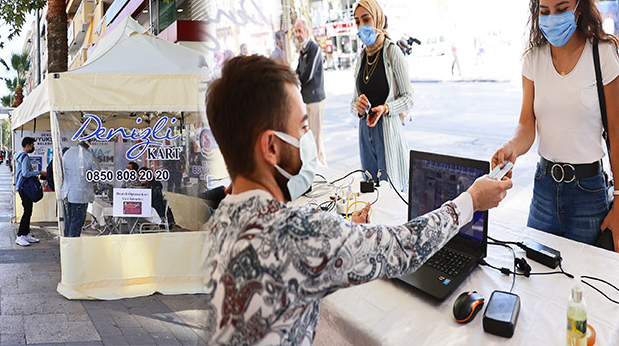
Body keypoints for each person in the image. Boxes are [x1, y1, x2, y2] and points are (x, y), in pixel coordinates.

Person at [204, 55, 512, 344]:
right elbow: (404, 247)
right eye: (302, 127)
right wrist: (472, 199)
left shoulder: (217, 223)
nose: (308, 138)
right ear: (271, 147)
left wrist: (344, 232)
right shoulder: (299, 234)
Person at [492, 0, 619, 251]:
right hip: (544, 191)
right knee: (537, 288)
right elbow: (526, 124)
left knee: (586, 290)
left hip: (589, 193)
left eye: (561, 9)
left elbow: (616, 131)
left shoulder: (603, 54)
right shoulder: (533, 59)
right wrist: (511, 147)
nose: (552, 19)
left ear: (579, 6)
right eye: (544, 11)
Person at [352, 0, 414, 190]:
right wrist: (359, 107)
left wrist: (386, 108)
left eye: (366, 19)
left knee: (391, 192)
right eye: (357, 22)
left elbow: (408, 98)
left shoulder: (392, 52)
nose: (361, 26)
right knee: (371, 193)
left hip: (387, 132)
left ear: (378, 19)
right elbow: (353, 102)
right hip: (365, 134)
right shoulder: (361, 57)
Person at [293, 18, 327, 166]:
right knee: (312, 136)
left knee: (315, 136)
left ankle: (321, 167)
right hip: (307, 98)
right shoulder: (303, 50)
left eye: (300, 31)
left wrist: (296, 77)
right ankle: (320, 165)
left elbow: (307, 74)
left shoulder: (313, 48)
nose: (298, 34)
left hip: (315, 98)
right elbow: (298, 70)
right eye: (296, 32)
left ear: (307, 31)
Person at [60, 141, 98, 237]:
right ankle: (73, 248)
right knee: (76, 224)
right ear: (88, 143)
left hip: (66, 193)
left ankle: (66, 248)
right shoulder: (90, 156)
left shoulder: (67, 153)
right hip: (81, 195)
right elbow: (97, 175)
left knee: (68, 223)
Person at [14, 137, 45, 246]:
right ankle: (20, 236)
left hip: (22, 187)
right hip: (24, 187)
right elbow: (25, 174)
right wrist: (38, 172)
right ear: (27, 145)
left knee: (28, 210)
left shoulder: (19, 155)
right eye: (32, 145)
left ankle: (26, 233)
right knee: (27, 211)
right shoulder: (25, 157)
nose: (33, 147)